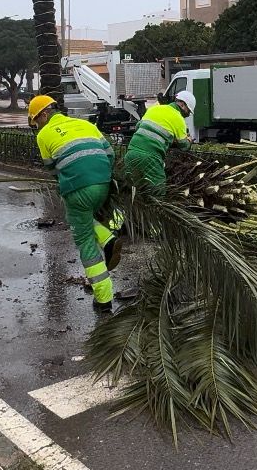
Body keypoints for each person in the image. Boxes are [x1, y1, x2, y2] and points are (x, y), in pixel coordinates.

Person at [29, 94, 128, 310]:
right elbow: (109, 153)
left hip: (78, 189)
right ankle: (109, 239)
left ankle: (103, 298)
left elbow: (52, 168)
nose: (37, 125)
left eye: (36, 120)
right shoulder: (85, 124)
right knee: (80, 218)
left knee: (84, 240)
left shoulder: (44, 135)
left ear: (44, 114)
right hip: (103, 182)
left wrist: (67, 181)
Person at [123, 91, 194, 189]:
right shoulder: (178, 118)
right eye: (188, 110)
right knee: (158, 190)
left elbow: (138, 126)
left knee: (134, 191)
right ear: (182, 104)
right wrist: (189, 140)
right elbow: (184, 146)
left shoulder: (154, 109)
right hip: (150, 157)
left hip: (131, 153)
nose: (188, 114)